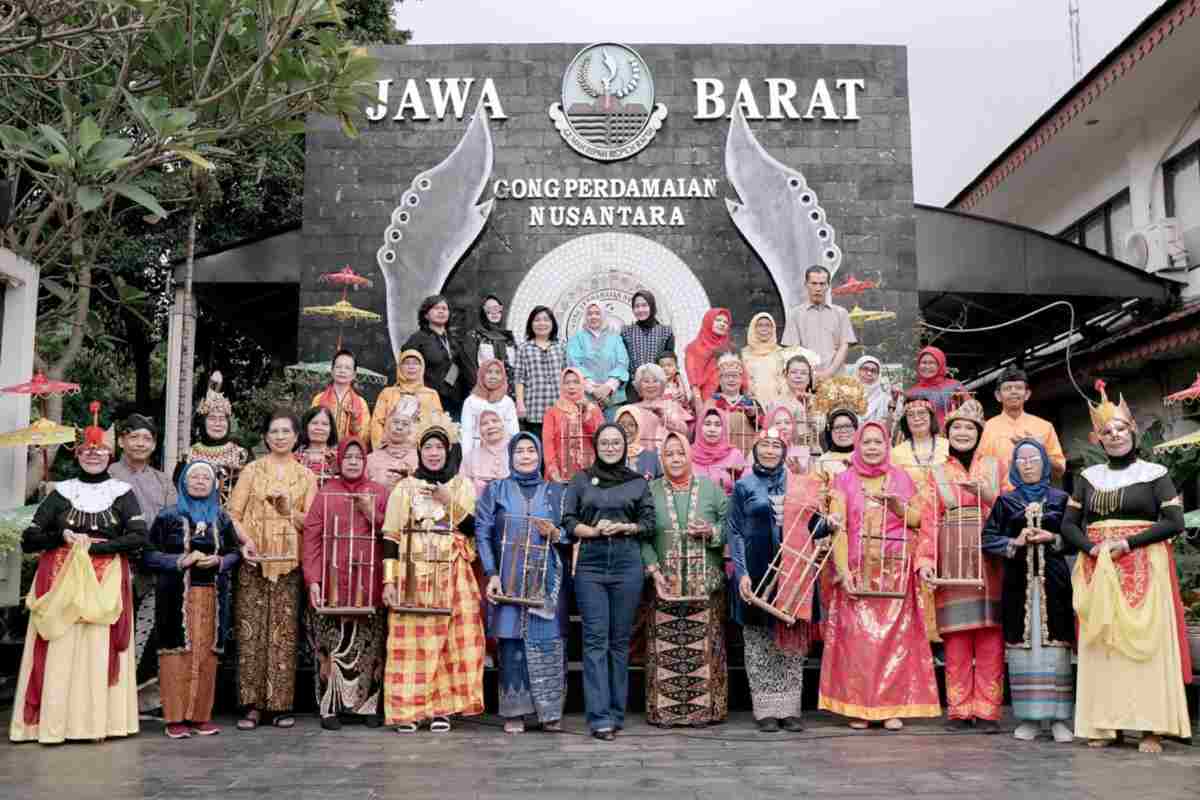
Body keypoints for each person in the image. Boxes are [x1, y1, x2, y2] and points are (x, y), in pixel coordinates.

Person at [1062, 383, 1191, 752]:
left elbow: (1174, 521)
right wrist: (1091, 548)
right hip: (1098, 566)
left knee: (1147, 645)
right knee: (1104, 644)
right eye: (1107, 431)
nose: (1114, 435)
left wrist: (1126, 543)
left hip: (1144, 563)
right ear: (1098, 439)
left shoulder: (1155, 473)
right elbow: (1069, 525)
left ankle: (1151, 727)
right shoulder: (1088, 479)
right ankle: (1106, 725)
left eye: (1120, 429)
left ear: (1132, 431)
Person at [10, 403, 144, 745]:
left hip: (106, 582)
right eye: (87, 450)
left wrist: (94, 548)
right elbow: (29, 540)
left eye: (99, 451)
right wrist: (62, 538)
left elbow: (139, 537)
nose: (93, 456)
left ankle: (99, 722)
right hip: (60, 584)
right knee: (59, 649)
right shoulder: (61, 493)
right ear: (78, 454)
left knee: (98, 647)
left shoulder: (122, 493)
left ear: (110, 453)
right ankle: (55, 724)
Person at [819, 421, 940, 730]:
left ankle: (890, 707)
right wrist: (843, 571)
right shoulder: (842, 481)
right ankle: (859, 707)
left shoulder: (901, 478)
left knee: (893, 643)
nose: (872, 448)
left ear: (887, 446)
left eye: (878, 442)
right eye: (867, 442)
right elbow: (839, 529)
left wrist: (899, 508)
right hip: (858, 571)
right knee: (859, 643)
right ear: (858, 446)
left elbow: (919, 519)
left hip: (895, 574)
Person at [380, 417, 485, 733]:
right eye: (428, 447)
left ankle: (443, 709)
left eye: (439, 447)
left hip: (453, 572)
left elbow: (473, 528)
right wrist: (389, 580)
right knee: (412, 644)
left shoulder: (460, 485)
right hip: (414, 575)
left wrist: (446, 501)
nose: (434, 453)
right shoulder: (406, 487)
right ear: (419, 451)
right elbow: (391, 536)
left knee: (452, 642)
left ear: (448, 450)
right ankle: (407, 711)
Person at [562, 423, 655, 740]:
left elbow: (649, 522)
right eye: (605, 442)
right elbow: (569, 521)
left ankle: (616, 713)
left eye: (617, 442)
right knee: (595, 640)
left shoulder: (637, 483)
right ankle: (598, 716)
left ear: (625, 446)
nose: (611, 447)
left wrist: (626, 527)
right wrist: (594, 531)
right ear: (596, 445)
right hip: (591, 563)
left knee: (619, 642)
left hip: (627, 562)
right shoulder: (581, 480)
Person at [228, 410, 318, 730]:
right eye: (274, 431)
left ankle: (280, 704)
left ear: (296, 437)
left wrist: (287, 510)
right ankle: (251, 705)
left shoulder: (306, 477)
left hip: (288, 564)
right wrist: (246, 543)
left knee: (283, 634)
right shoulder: (252, 471)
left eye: (286, 431)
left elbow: (311, 523)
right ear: (266, 437)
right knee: (251, 632)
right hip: (254, 561)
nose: (280, 436)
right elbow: (233, 514)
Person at [980, 439, 1075, 744]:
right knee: (1024, 651)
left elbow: (1076, 538)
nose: (1028, 464)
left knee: (1056, 650)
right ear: (1014, 465)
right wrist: (1016, 543)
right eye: (1021, 460)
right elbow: (988, 538)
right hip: (1019, 586)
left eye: (1034, 458)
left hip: (1055, 585)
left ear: (1045, 463)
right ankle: (1030, 719)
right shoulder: (1006, 502)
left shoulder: (1061, 499)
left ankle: (1060, 719)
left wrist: (1053, 537)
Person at [475, 433, 568, 733]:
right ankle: (514, 710)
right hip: (508, 575)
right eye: (520, 451)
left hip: (546, 578)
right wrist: (491, 572)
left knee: (548, 641)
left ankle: (549, 712)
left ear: (540, 455)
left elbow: (569, 531)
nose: (526, 456)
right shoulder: (497, 489)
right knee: (512, 641)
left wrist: (554, 532)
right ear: (511, 456)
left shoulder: (555, 492)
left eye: (531, 451)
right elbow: (483, 531)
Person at [143, 461, 241, 738]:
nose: (199, 482)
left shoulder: (221, 518)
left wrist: (220, 560)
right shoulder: (168, 516)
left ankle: (200, 716)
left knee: (207, 655)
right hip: (176, 596)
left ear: (213, 485)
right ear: (183, 482)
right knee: (177, 655)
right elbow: (148, 555)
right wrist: (180, 560)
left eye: (205, 478)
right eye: (194, 477)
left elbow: (236, 552)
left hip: (212, 596)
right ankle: (175, 718)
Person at [727, 426, 815, 732]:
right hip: (757, 565)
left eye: (776, 446)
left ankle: (790, 709)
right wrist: (742, 574)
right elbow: (735, 532)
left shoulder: (800, 484)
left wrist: (829, 525)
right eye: (764, 445)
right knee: (759, 641)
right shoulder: (744, 485)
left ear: (784, 450)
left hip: (794, 570)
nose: (769, 451)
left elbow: (814, 525)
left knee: (789, 640)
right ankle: (765, 710)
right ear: (754, 448)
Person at [927, 399, 1004, 731]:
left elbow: (1009, 508)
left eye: (968, 428)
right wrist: (927, 560)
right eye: (956, 427)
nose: (962, 432)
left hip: (989, 556)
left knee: (990, 636)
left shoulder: (994, 466)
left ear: (978, 432)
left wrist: (987, 494)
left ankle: (987, 709)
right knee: (956, 638)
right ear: (948, 433)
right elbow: (930, 518)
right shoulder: (938, 471)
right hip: (952, 555)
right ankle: (959, 708)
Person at [642, 432, 729, 727]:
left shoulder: (711, 489)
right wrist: (653, 570)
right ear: (661, 459)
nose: (676, 459)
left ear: (689, 455)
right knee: (665, 649)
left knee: (705, 648)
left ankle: (707, 711)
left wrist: (711, 532)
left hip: (704, 587)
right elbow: (642, 535)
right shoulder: (649, 491)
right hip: (664, 585)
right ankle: (664, 712)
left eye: (680, 453)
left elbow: (729, 524)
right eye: (669, 454)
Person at [302, 440, 388, 731]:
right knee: (331, 643)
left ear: (365, 460)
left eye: (358, 457)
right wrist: (313, 579)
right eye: (347, 457)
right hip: (333, 580)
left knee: (369, 644)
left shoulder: (378, 492)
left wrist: (369, 511)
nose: (352, 461)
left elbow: (391, 534)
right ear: (339, 460)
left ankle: (368, 707)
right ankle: (329, 708)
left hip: (369, 580)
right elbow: (312, 538)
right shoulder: (326, 493)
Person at [108, 412, 177, 712]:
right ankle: (107, 694)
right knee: (113, 628)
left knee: (144, 631)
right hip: (112, 565)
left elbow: (175, 521)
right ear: (122, 441)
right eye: (133, 436)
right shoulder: (107, 475)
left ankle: (132, 697)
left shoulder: (163, 480)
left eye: (146, 438)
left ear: (154, 444)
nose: (140, 443)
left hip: (151, 567)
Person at [976, 366, 1066, 492]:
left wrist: (1038, 449)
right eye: (1007, 388)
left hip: (1037, 500)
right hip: (999, 500)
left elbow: (1059, 470)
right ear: (998, 395)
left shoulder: (1044, 427)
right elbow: (976, 471)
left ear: (1027, 394)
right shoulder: (985, 429)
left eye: (1018, 388)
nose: (1013, 392)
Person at [184, 372, 249, 505]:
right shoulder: (189, 454)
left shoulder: (242, 454)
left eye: (222, 419)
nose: (217, 424)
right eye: (212, 419)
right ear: (203, 423)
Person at [781, 266, 856, 380]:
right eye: (814, 283)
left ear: (828, 286)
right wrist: (810, 373)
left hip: (836, 378)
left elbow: (844, 345)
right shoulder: (795, 314)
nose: (818, 288)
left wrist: (829, 372)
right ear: (806, 284)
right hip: (806, 379)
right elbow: (793, 349)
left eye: (822, 284)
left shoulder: (841, 313)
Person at [401, 294, 466, 418]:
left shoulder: (455, 340)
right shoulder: (417, 339)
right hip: (427, 400)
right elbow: (405, 369)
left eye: (444, 308)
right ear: (426, 314)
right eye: (436, 308)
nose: (441, 311)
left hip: (455, 400)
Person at [742, 312, 821, 409]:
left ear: (773, 329)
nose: (764, 329)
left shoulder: (782, 353)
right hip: (754, 406)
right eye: (760, 325)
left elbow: (787, 380)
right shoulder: (744, 354)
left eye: (768, 325)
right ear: (753, 328)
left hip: (780, 406)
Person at [370, 349, 444, 450]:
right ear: (400, 367)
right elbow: (376, 423)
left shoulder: (431, 394)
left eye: (415, 363)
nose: (411, 367)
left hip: (420, 452)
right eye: (406, 363)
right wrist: (381, 448)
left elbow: (438, 425)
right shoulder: (387, 393)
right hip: (389, 450)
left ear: (422, 368)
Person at [542, 367, 605, 484]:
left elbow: (601, 438)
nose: (571, 387)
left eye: (576, 382)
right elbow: (548, 445)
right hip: (560, 477)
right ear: (561, 385)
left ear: (582, 384)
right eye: (567, 383)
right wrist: (554, 473)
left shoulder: (593, 409)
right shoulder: (552, 412)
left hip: (591, 476)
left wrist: (586, 413)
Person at [514, 305, 567, 441]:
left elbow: (567, 377)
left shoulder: (561, 346)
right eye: (537, 320)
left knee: (557, 452)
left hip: (558, 408)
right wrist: (520, 404)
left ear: (552, 323)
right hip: (534, 410)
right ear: (531, 324)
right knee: (537, 450)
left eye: (546, 320)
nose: (541, 323)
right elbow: (519, 379)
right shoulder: (524, 348)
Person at [566, 301, 630, 413]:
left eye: (597, 313)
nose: (593, 317)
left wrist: (608, 387)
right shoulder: (576, 339)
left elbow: (623, 363)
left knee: (613, 430)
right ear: (585, 317)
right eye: (589, 314)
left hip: (613, 399)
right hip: (585, 400)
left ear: (604, 315)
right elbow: (574, 364)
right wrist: (593, 389)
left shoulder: (615, 338)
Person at [621, 290, 675, 404]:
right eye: (637, 306)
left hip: (659, 389)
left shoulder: (666, 332)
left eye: (644, 305)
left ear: (652, 306)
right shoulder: (626, 332)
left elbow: (670, 362)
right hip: (633, 390)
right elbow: (623, 362)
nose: (640, 310)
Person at [310, 349, 371, 449]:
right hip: (322, 452)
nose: (342, 371)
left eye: (347, 368)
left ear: (354, 374)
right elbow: (310, 428)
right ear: (332, 371)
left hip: (348, 454)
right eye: (338, 367)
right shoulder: (319, 399)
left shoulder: (361, 403)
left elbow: (365, 438)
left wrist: (354, 423)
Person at [623, 363, 692, 450]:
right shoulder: (631, 409)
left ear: (662, 384)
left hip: (667, 456)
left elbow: (686, 434)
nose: (651, 385)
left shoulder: (673, 405)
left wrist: (664, 416)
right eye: (646, 381)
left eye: (655, 381)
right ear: (638, 385)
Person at [461, 358, 520, 459]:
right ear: (481, 375)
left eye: (498, 372)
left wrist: (513, 458)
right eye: (489, 372)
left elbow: (514, 432)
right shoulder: (471, 401)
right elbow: (467, 433)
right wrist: (467, 459)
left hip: (503, 454)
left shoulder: (507, 401)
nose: (493, 376)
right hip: (478, 453)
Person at [460, 294, 517, 397]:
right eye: (489, 309)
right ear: (482, 312)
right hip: (484, 394)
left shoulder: (509, 338)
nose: (494, 312)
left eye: (497, 308)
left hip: (509, 397)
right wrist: (483, 393)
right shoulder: (473, 336)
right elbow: (469, 369)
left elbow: (515, 370)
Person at [711, 354, 762, 457]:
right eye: (727, 376)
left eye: (735, 376)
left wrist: (752, 415)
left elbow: (763, 427)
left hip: (747, 451)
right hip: (719, 452)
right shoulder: (712, 401)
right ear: (720, 380)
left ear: (741, 380)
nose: (731, 380)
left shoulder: (750, 402)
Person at [366, 396, 420, 492]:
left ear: (411, 430)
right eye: (395, 422)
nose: (399, 427)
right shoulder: (371, 459)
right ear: (388, 426)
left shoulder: (419, 459)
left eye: (405, 424)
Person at [692, 406, 748, 496]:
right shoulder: (688, 454)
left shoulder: (734, 454)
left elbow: (746, 487)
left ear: (724, 428)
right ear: (699, 427)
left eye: (717, 425)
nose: (712, 429)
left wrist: (736, 478)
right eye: (707, 424)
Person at [684, 307, 734, 407]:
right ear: (708, 321)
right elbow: (693, 379)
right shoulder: (694, 347)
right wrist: (698, 403)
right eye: (718, 320)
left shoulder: (730, 348)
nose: (722, 324)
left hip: (729, 399)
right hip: (704, 399)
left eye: (725, 322)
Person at [905, 346, 964, 428]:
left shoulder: (955, 386)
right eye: (924, 363)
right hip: (923, 437)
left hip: (952, 435)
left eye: (931, 363)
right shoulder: (912, 392)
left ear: (940, 364)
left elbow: (969, 412)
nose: (927, 367)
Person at [460, 408, 512, 496]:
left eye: (495, 421)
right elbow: (462, 492)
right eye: (484, 423)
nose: (491, 426)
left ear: (503, 424)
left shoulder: (517, 452)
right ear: (479, 430)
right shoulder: (470, 457)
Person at [892, 398, 948, 476]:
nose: (917, 418)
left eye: (922, 413)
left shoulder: (948, 446)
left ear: (931, 417)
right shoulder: (896, 453)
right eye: (910, 415)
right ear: (905, 421)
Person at [776, 354, 818, 455]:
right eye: (793, 372)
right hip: (784, 453)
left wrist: (808, 409)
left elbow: (820, 429)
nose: (798, 376)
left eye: (803, 373)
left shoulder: (817, 401)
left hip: (812, 453)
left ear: (809, 378)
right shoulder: (776, 402)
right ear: (786, 375)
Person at [615, 406, 662, 480]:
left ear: (638, 428)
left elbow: (659, 486)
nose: (626, 429)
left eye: (631, 425)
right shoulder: (609, 455)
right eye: (622, 424)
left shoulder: (651, 458)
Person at [296, 406, 339, 487]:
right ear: (306, 426)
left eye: (324, 424)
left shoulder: (339, 458)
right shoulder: (295, 457)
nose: (319, 428)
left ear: (331, 429)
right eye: (314, 423)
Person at [814, 408, 859, 478]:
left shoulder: (867, 457)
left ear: (856, 429)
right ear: (830, 432)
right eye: (837, 427)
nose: (843, 431)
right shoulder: (822, 462)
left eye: (848, 426)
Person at [765, 404, 809, 474]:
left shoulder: (802, 452)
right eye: (777, 423)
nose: (783, 427)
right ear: (769, 427)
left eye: (787, 423)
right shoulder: (761, 451)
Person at [854, 355, 894, 425]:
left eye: (874, 371)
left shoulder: (886, 399)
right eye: (865, 369)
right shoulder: (847, 396)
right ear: (857, 370)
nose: (869, 373)